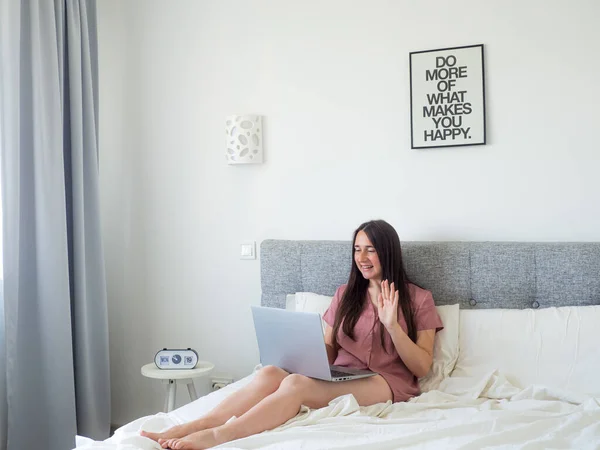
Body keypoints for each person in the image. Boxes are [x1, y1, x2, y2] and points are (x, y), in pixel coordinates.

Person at [141, 219, 443, 449]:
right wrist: (304, 352)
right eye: (357, 249)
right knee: (271, 373)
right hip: (343, 373)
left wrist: (392, 326)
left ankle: (221, 434)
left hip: (385, 382)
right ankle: (199, 423)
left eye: (370, 249)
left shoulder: (418, 299)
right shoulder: (345, 294)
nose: (361, 257)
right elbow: (328, 346)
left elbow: (421, 367)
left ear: (387, 252)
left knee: (296, 384)